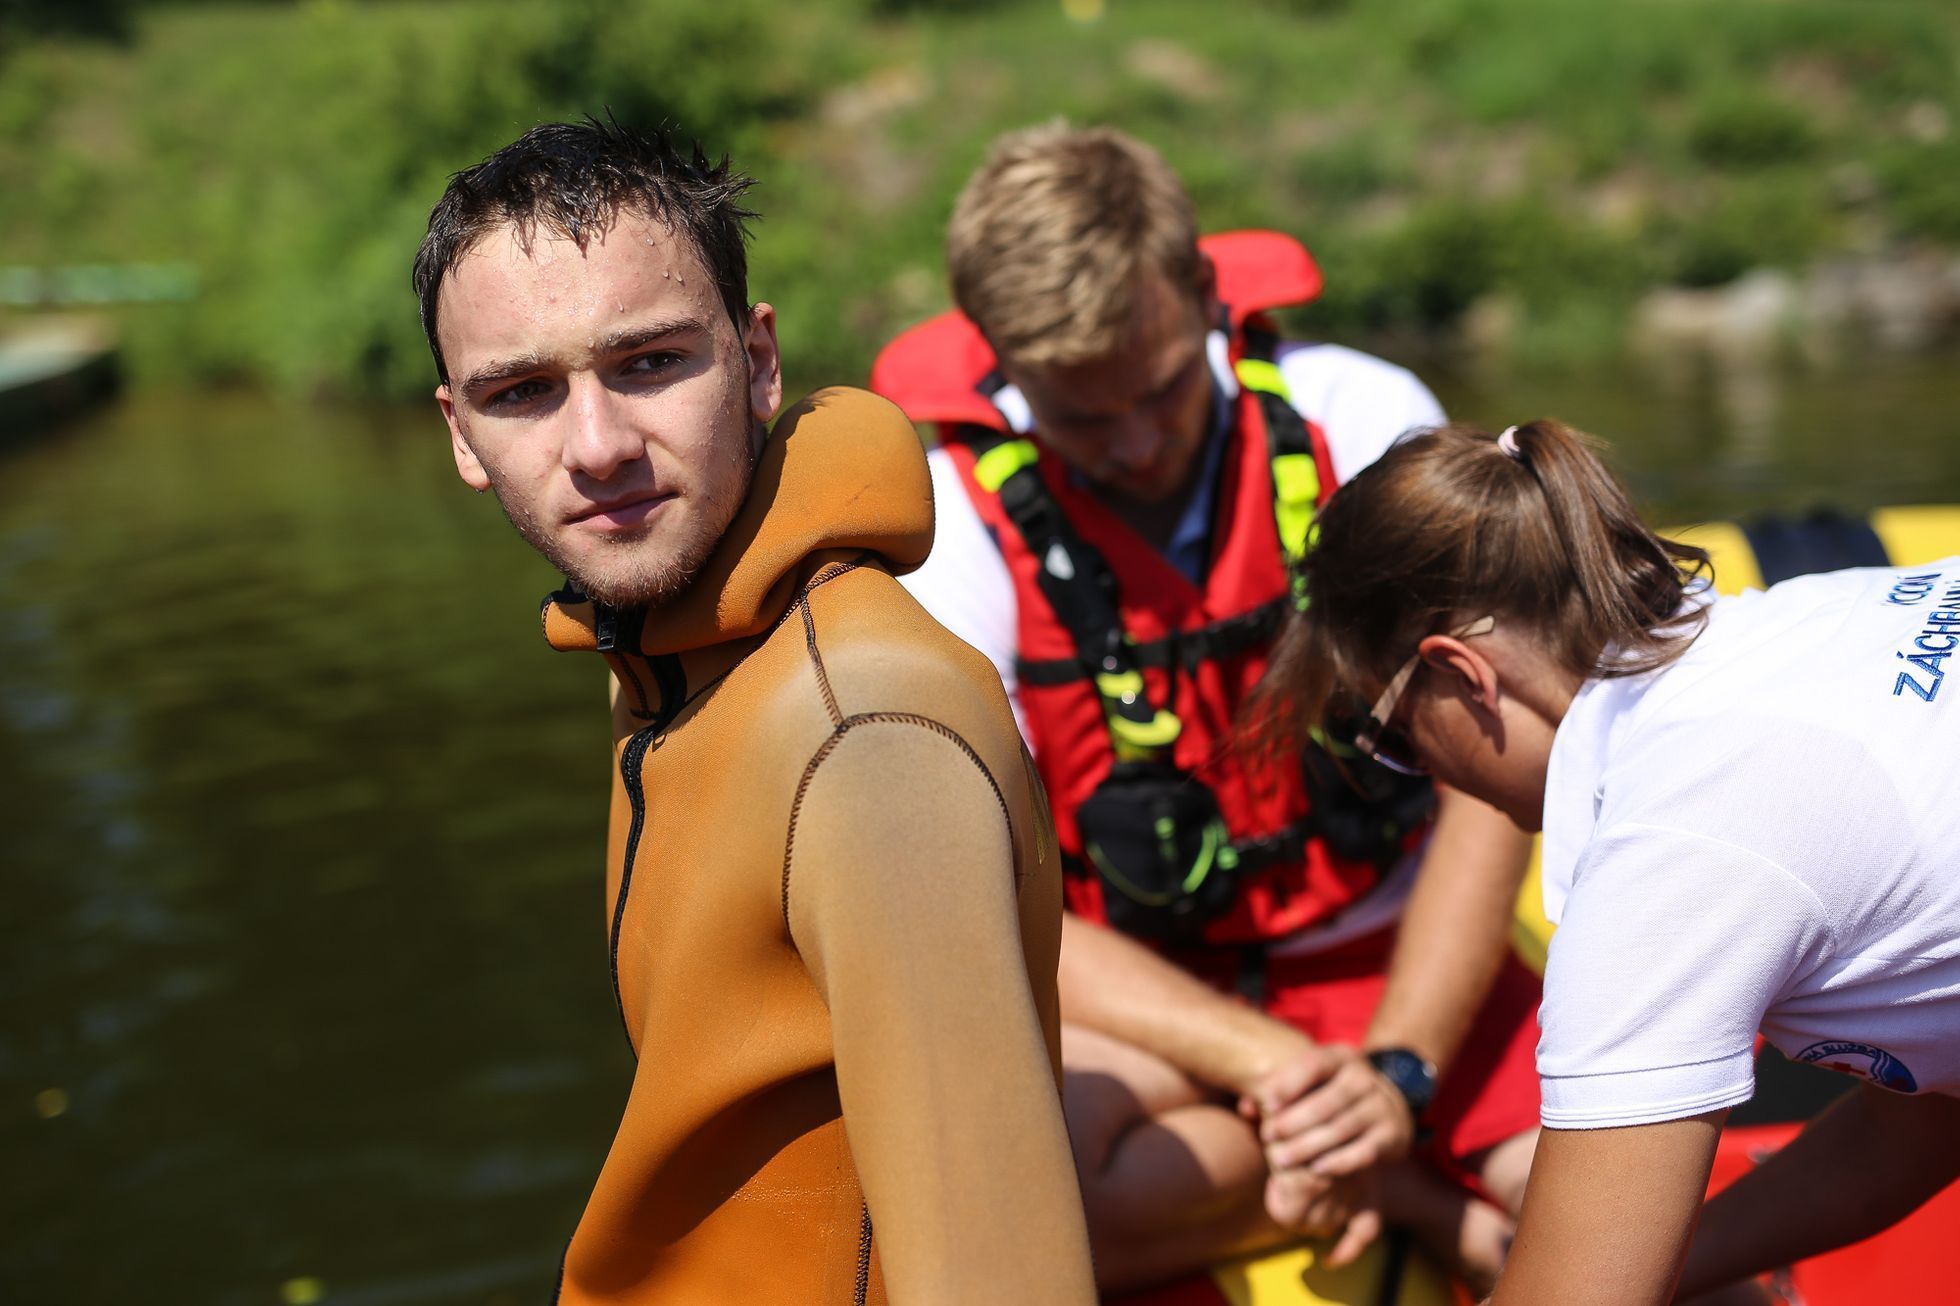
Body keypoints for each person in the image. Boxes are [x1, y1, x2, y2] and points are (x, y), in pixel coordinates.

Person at [410, 119, 1095, 1305]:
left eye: (649, 362)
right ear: (459, 433)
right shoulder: (691, 663)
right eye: (521, 390)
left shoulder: (865, 734)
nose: (597, 445)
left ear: (758, 360)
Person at [870, 122, 1542, 1292]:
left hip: (1409, 958)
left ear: (1201, 292)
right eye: (1080, 417)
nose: (1133, 444)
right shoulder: (947, 533)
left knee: (1605, 1195)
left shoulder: (1362, 419)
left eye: (1164, 386)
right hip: (1150, 1013)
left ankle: (1402, 1157)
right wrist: (1291, 1070)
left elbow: (1497, 770)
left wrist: (1402, 1067)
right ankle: (1403, 1189)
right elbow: (986, 902)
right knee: (1026, 1200)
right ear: (1002, 365)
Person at [1261, 417, 1960, 1305]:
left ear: (1463, 675)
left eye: (1389, 738)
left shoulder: (1671, 853)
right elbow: (1920, 1125)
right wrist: (1678, 1271)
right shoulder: (1812, 621)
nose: (1419, 775)